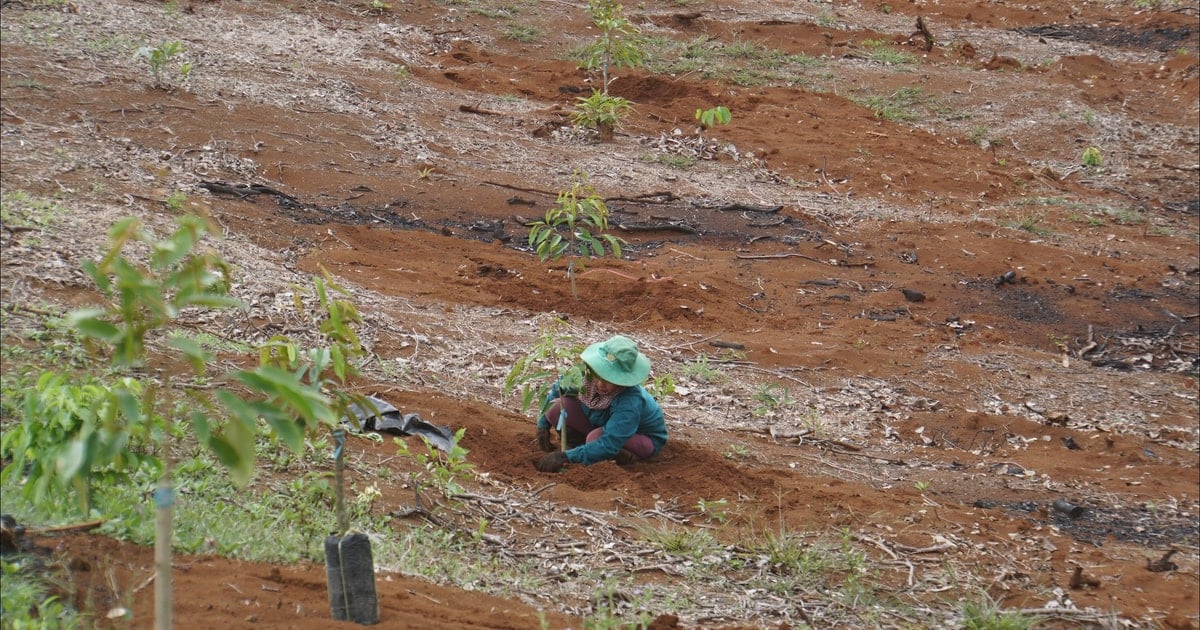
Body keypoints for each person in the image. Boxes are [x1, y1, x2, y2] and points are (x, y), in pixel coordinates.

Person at [534, 335, 668, 473]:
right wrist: (542, 425)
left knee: (596, 438)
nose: (600, 384)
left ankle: (618, 454)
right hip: (600, 423)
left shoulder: (630, 400)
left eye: (609, 379)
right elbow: (559, 389)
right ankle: (581, 447)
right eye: (599, 375)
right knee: (555, 408)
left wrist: (566, 457)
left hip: (638, 437)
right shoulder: (585, 374)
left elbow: (609, 441)